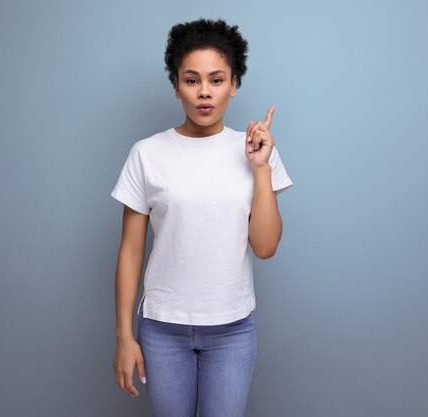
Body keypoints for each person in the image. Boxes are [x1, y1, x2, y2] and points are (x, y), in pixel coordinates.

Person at [110, 18, 293, 417]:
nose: (204, 92)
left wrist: (260, 168)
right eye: (192, 80)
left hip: (232, 330)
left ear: (233, 84)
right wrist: (125, 336)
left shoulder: (256, 151)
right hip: (162, 329)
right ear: (176, 85)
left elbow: (265, 247)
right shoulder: (147, 153)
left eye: (216, 79)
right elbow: (130, 251)